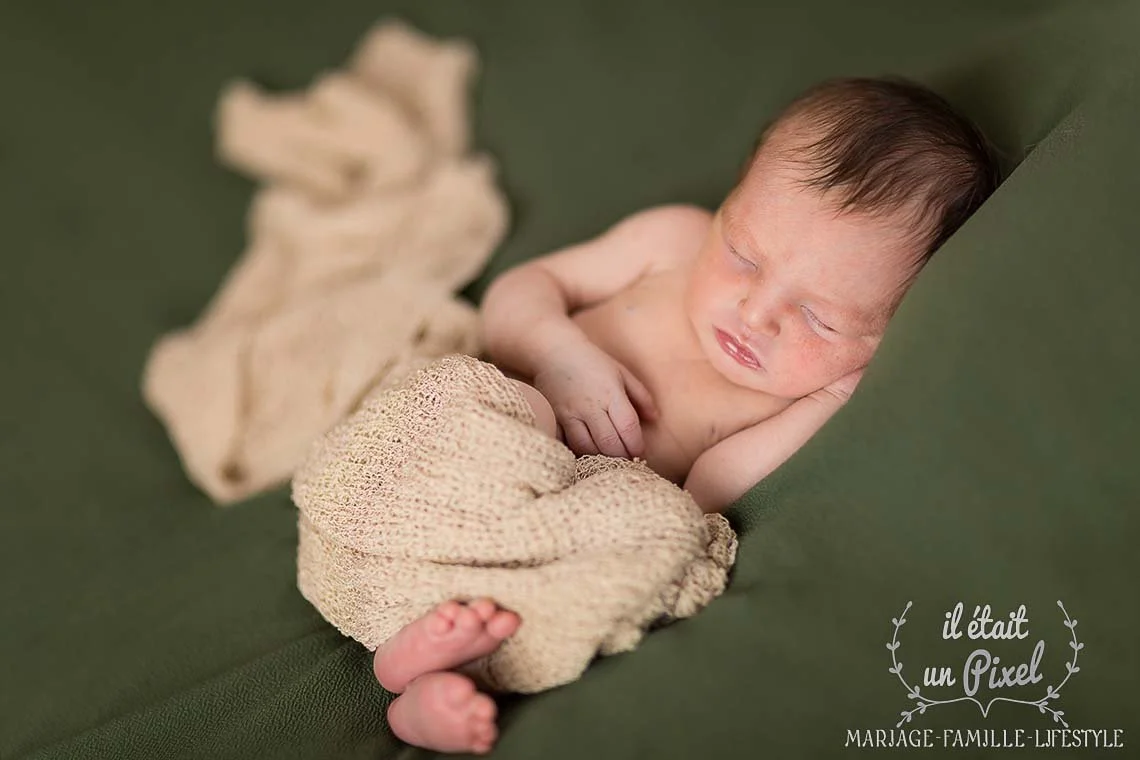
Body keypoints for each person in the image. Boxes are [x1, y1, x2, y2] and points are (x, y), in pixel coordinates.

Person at [371, 77, 1001, 754]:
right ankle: (416, 654)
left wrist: (831, 399)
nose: (757, 314)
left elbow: (707, 489)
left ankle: (414, 687)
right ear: (732, 199)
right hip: (460, 465)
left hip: (549, 539)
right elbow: (522, 291)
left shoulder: (794, 397)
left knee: (613, 579)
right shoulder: (673, 242)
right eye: (743, 255)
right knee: (515, 404)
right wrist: (559, 354)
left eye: (820, 318)